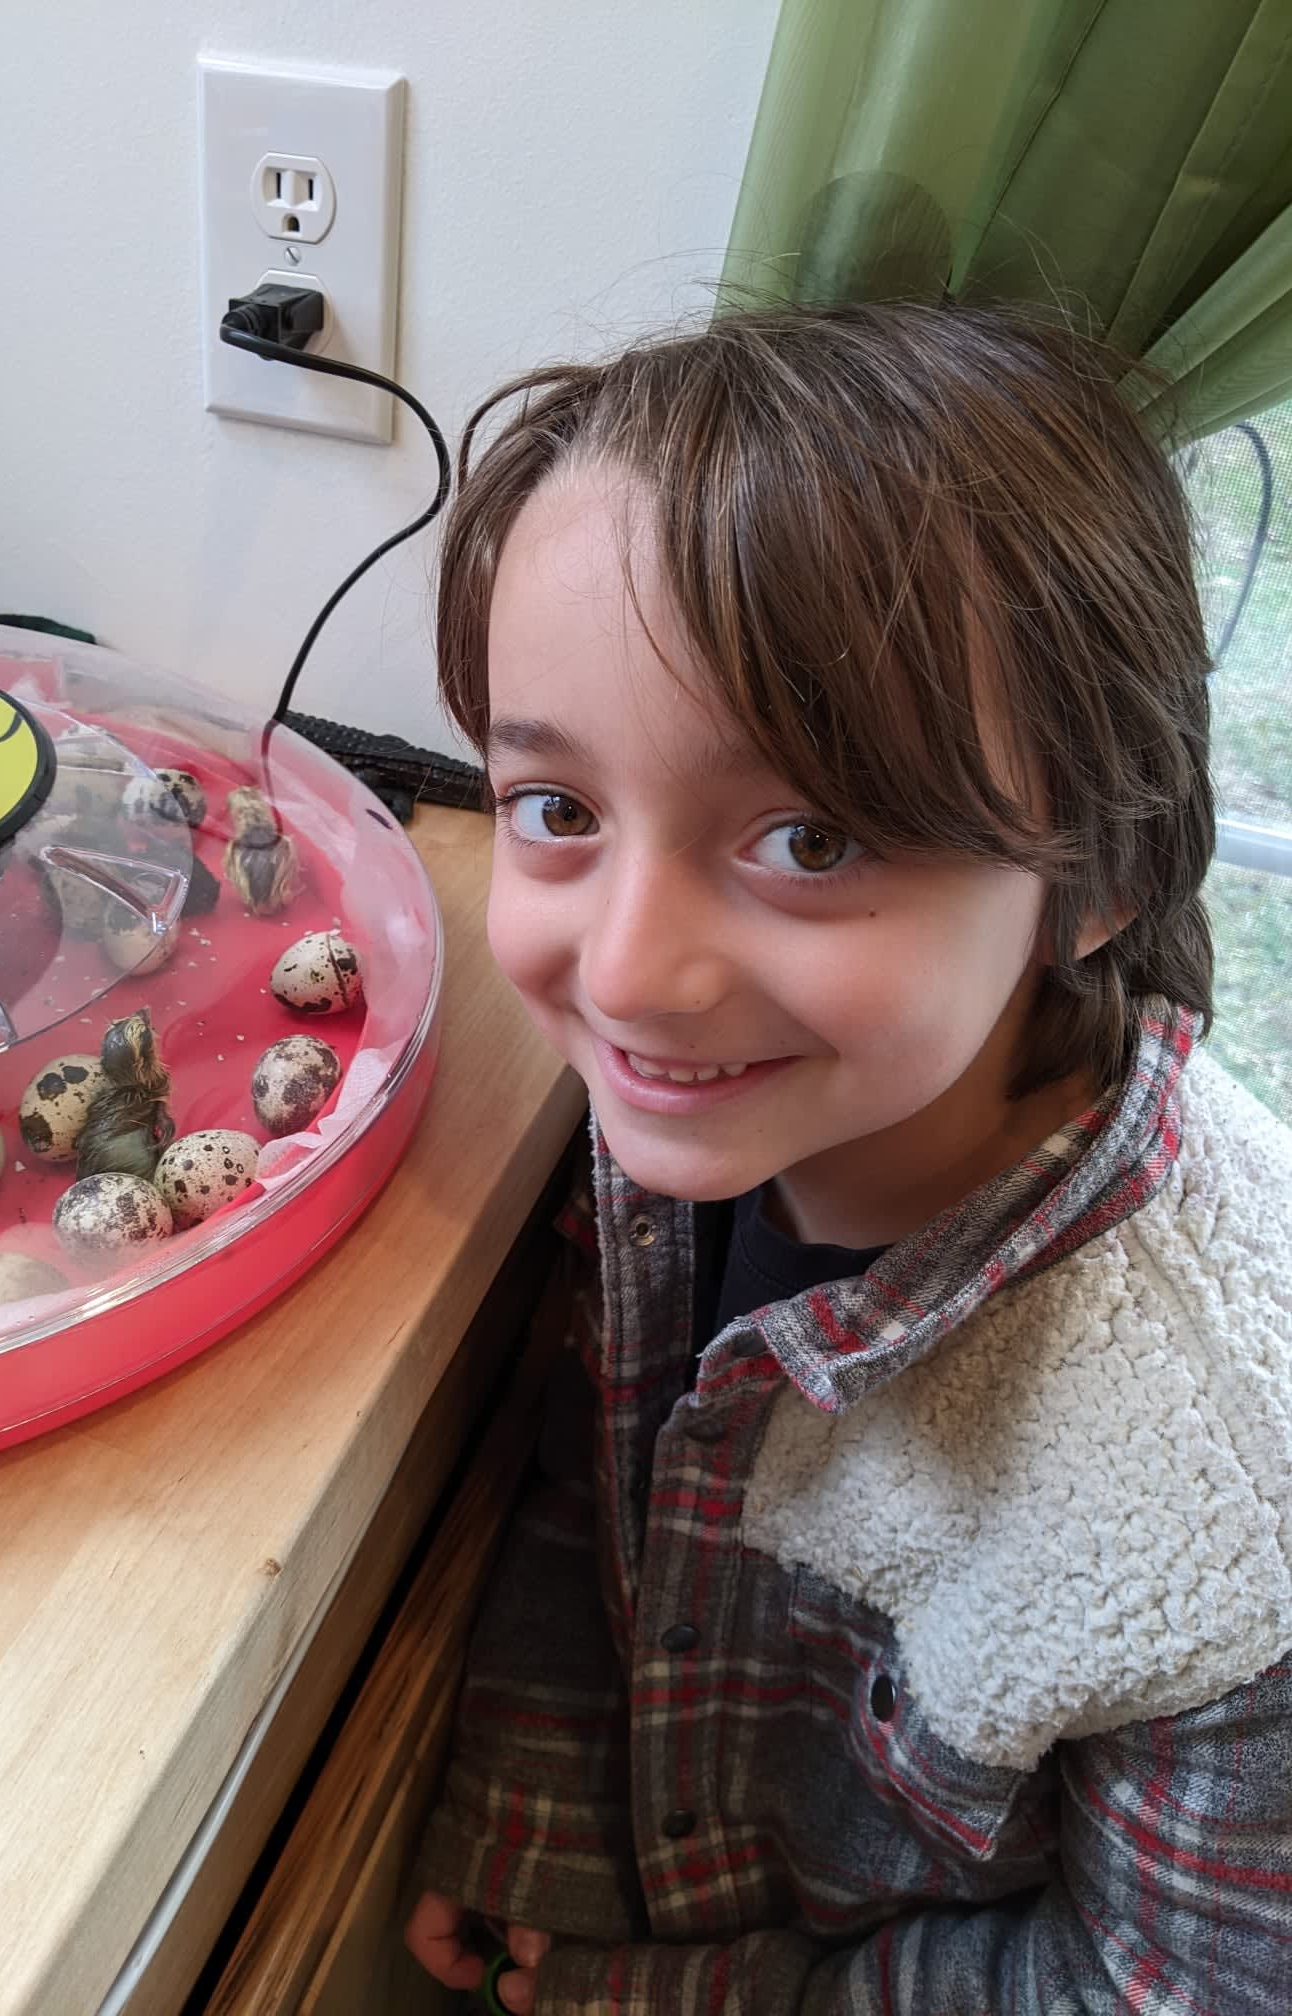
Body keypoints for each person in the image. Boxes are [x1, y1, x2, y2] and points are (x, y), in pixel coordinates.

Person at [403, 302, 1292, 2013]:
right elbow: (604, 1490)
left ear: (1098, 879)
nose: (629, 973)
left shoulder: (1230, 1517)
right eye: (558, 811)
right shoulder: (705, 1117)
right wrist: (527, 1830)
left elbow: (1153, 1994)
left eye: (808, 839)